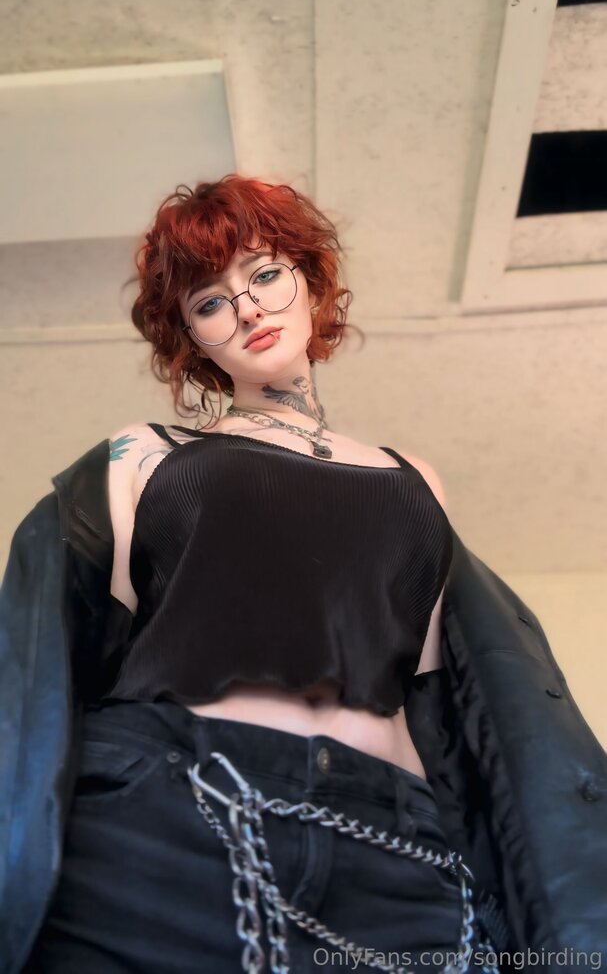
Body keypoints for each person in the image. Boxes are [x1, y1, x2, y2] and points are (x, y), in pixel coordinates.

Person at [3, 176, 605, 974]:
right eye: (209, 303)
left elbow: (431, 690)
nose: (247, 308)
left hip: (395, 851)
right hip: (169, 816)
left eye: (263, 274)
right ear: (194, 341)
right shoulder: (143, 456)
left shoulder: (412, 477)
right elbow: (60, 666)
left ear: (312, 284)